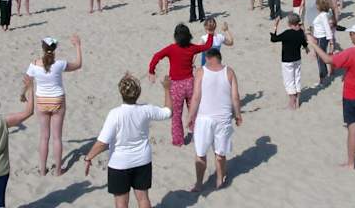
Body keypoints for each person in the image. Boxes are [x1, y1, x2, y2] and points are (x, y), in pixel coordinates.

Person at [84, 74, 173, 208]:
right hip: (142, 160)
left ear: (121, 93)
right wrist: (167, 89)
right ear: (138, 93)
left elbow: (102, 143)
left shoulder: (115, 114)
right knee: (143, 199)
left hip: (119, 164)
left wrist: (88, 157)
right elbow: (168, 112)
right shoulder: (146, 109)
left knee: (121, 203)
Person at [306, 24, 355, 169]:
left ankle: (351, 163)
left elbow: (328, 60)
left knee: (353, 129)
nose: (350, 37)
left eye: (351, 34)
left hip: (352, 95)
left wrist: (314, 45)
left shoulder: (352, 52)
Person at [22, 35, 83, 176]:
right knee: (57, 137)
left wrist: (24, 93)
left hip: (42, 101)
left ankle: (42, 170)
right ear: (55, 48)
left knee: (44, 137)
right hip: (57, 100)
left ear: (42, 48)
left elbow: (27, 80)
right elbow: (78, 64)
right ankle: (58, 170)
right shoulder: (59, 64)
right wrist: (78, 46)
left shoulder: (34, 64)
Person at [148, 24, 213, 146]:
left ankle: (178, 141)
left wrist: (152, 71)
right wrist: (210, 33)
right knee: (193, 111)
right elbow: (207, 46)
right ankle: (197, 135)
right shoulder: (192, 48)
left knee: (176, 115)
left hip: (176, 86)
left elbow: (156, 56)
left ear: (176, 36)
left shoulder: (171, 48)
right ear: (189, 36)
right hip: (190, 84)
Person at [187, 49, 243, 191]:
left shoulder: (201, 71)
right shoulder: (229, 72)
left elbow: (196, 96)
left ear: (208, 58)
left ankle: (199, 183)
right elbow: (235, 97)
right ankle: (219, 180)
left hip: (204, 119)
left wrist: (190, 116)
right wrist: (238, 115)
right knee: (220, 154)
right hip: (223, 118)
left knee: (200, 153)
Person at [270, 14, 309, 109]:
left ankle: (292, 101)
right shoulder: (300, 32)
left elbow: (273, 39)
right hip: (297, 59)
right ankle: (298, 100)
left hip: (287, 61)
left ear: (290, 23)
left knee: (289, 80)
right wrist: (306, 48)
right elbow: (304, 43)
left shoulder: (287, 33)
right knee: (297, 78)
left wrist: (275, 25)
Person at [310, 0, 335, 85]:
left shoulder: (323, 15)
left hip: (322, 38)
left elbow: (327, 28)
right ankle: (323, 77)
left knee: (320, 59)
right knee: (320, 58)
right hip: (318, 38)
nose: (315, 5)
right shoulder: (323, 13)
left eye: (317, 4)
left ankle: (322, 80)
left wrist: (331, 41)